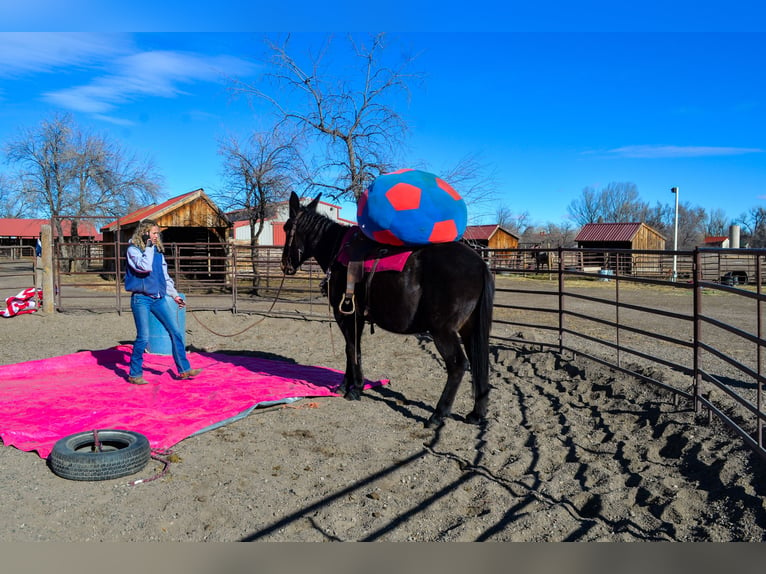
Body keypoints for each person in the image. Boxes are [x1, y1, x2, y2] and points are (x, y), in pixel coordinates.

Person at [124, 219, 201, 385]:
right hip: (141, 299)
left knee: (176, 331)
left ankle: (184, 369)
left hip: (157, 298)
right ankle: (135, 373)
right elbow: (144, 267)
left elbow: (165, 278)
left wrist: (174, 295)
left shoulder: (158, 253)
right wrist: (149, 247)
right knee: (143, 337)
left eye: (157, 233)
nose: (156, 236)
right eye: (153, 233)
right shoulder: (133, 250)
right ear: (144, 233)